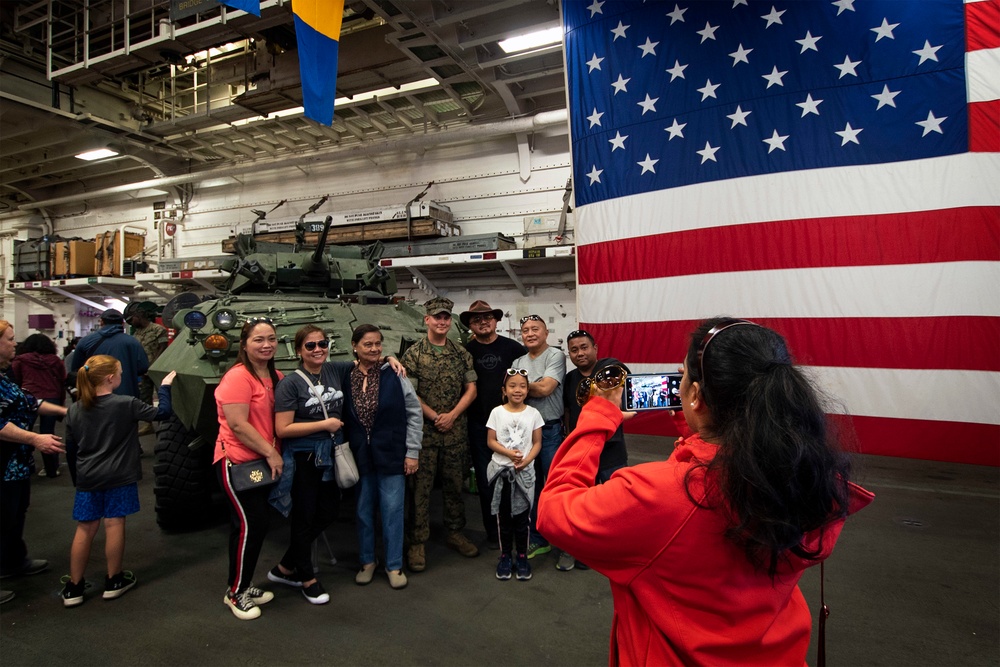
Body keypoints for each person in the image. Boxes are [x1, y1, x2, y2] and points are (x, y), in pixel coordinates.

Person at [538, 318, 875, 665]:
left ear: (697, 395)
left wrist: (596, 417)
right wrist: (696, 428)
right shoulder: (805, 476)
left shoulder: (658, 493)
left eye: (682, 375)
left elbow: (555, 508)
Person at [269, 325, 404, 603]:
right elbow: (282, 429)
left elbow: (367, 357)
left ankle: (284, 566)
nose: (318, 349)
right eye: (310, 346)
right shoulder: (290, 383)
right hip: (305, 456)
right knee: (305, 516)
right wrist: (325, 424)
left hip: (332, 455)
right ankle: (306, 577)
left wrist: (390, 357)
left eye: (322, 343)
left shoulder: (334, 370)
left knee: (329, 511)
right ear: (298, 351)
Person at [59, 356, 176, 607]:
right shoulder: (126, 404)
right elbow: (162, 413)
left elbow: (71, 448)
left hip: (88, 478)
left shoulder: (75, 409)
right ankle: (114, 581)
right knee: (114, 525)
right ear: (111, 378)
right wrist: (164, 387)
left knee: (84, 529)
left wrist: (79, 478)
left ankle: (74, 587)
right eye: (121, 373)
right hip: (119, 476)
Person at [400, 297, 479, 572]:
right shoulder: (414, 354)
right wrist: (435, 417)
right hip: (425, 434)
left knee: (454, 485)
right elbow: (410, 394)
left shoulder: (461, 353)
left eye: (446, 317)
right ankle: (417, 541)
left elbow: (471, 389)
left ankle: (455, 532)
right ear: (427, 320)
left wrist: (453, 415)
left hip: (455, 432)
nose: (442, 322)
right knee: (420, 490)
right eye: (437, 317)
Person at [344, 324, 422, 590]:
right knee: (364, 512)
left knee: (392, 512)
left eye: (378, 344)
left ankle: (393, 565)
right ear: (355, 346)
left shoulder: (395, 374)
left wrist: (412, 452)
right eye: (368, 344)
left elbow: (414, 413)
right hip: (360, 457)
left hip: (391, 454)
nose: (375, 349)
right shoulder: (346, 374)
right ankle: (367, 561)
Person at [215, 318, 284, 621]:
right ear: (244, 344)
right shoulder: (237, 378)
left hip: (259, 463)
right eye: (258, 340)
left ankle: (243, 583)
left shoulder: (274, 375)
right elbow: (239, 425)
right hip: (239, 463)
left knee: (251, 526)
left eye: (271, 339)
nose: (266, 345)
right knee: (250, 525)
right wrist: (271, 453)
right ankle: (235, 593)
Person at [0, 320, 67, 605]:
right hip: (4, 463)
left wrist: (67, 412)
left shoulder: (5, 376)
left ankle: (13, 562)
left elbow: (31, 402)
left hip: (14, 464)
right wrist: (35, 439)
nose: (16, 344)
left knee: (14, 515)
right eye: (11, 339)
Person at [558, 329, 631, 572]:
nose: (579, 353)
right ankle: (577, 548)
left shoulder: (610, 367)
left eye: (584, 347)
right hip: (582, 451)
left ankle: (612, 549)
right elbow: (568, 410)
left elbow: (620, 375)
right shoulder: (569, 379)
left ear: (595, 348)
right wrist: (569, 436)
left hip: (612, 450)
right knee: (581, 504)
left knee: (614, 504)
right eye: (574, 350)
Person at [461, 300, 526, 550]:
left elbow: (525, 384)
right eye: (477, 319)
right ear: (470, 325)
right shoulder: (466, 352)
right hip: (480, 426)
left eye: (487, 317)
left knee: (515, 478)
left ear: (496, 320)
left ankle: (518, 529)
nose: (483, 322)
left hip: (512, 426)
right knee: (488, 481)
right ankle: (493, 532)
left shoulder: (513, 349)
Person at [511, 314, 565, 559]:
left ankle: (563, 540)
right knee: (529, 486)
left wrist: (518, 385)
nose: (530, 333)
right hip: (524, 432)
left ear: (545, 333)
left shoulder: (555, 356)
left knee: (555, 485)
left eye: (535, 329)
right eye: (525, 330)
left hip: (550, 430)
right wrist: (523, 387)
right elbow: (511, 395)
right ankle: (538, 538)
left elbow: (545, 388)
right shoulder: (518, 359)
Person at [486, 368, 542, 582]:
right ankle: (505, 556)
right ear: (504, 390)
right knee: (504, 518)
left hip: (524, 475)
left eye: (522, 386)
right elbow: (491, 441)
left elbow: (537, 443)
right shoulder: (497, 413)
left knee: (522, 519)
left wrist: (526, 461)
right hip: (502, 472)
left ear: (527, 390)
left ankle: (522, 556)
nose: (517, 390)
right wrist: (509, 453)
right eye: (512, 386)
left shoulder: (533, 414)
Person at [10, 333, 66, 478]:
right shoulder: (56, 361)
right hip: (52, 397)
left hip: (29, 396)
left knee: (24, 433)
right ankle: (52, 469)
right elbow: (62, 380)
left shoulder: (20, 360)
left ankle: (26, 465)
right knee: (48, 433)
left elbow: (15, 380)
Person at [70, 309, 149, 400]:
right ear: (123, 323)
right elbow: (143, 367)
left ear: (101, 322)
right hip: (127, 398)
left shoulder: (85, 342)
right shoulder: (133, 342)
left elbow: (76, 370)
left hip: (93, 397)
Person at [126, 302, 168, 435]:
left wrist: (152, 367)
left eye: (131, 319)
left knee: (163, 396)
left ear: (138, 316)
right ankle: (148, 424)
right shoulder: (136, 334)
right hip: (143, 372)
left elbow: (163, 349)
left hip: (157, 369)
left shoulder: (158, 329)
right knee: (144, 397)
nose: (131, 323)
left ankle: (165, 424)